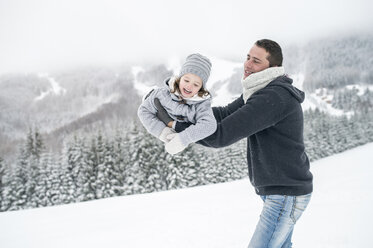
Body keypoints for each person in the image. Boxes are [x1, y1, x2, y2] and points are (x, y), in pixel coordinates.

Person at [155, 39, 313, 247]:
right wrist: (184, 112)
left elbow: (221, 134)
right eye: (248, 57)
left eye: (256, 61)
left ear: (272, 67)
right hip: (280, 192)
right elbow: (224, 114)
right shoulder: (260, 90)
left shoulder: (273, 96)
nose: (247, 64)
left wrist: (174, 124)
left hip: (285, 194)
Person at [137, 53, 217, 155]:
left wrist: (183, 138)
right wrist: (162, 131)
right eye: (186, 80)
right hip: (159, 140)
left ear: (201, 88)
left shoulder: (200, 104)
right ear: (179, 78)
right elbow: (143, 111)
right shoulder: (162, 94)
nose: (189, 86)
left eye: (196, 84)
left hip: (189, 147)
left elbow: (209, 125)